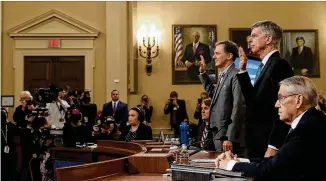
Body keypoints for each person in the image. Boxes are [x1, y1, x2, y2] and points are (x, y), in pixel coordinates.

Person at [216, 76, 326, 181]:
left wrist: (230, 165)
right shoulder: (312, 120)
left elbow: (272, 170)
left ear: (298, 100)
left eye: (281, 98)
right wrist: (239, 161)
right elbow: (278, 161)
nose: (276, 104)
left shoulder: (307, 128)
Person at [237, 20, 294, 159]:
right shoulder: (264, 64)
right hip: (256, 139)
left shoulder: (280, 64)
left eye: (255, 35)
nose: (250, 40)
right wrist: (243, 71)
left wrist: (274, 145)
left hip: (268, 141)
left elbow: (285, 108)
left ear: (268, 39)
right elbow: (254, 102)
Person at [199, 40, 246, 155]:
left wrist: (229, 137)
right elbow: (214, 95)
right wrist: (203, 74)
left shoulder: (235, 74)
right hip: (219, 135)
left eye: (217, 53)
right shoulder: (224, 75)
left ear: (229, 56)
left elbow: (238, 107)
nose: (214, 57)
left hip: (228, 138)